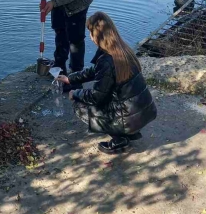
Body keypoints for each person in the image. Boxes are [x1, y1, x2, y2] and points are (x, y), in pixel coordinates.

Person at [56, 12, 158, 154]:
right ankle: (129, 131)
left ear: (96, 35)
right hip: (145, 111)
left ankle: (119, 139)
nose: (89, 37)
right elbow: (95, 71)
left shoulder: (106, 60)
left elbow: (96, 97)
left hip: (129, 118)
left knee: (80, 106)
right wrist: (70, 78)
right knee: (110, 99)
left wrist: (76, 93)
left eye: (90, 33)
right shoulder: (123, 50)